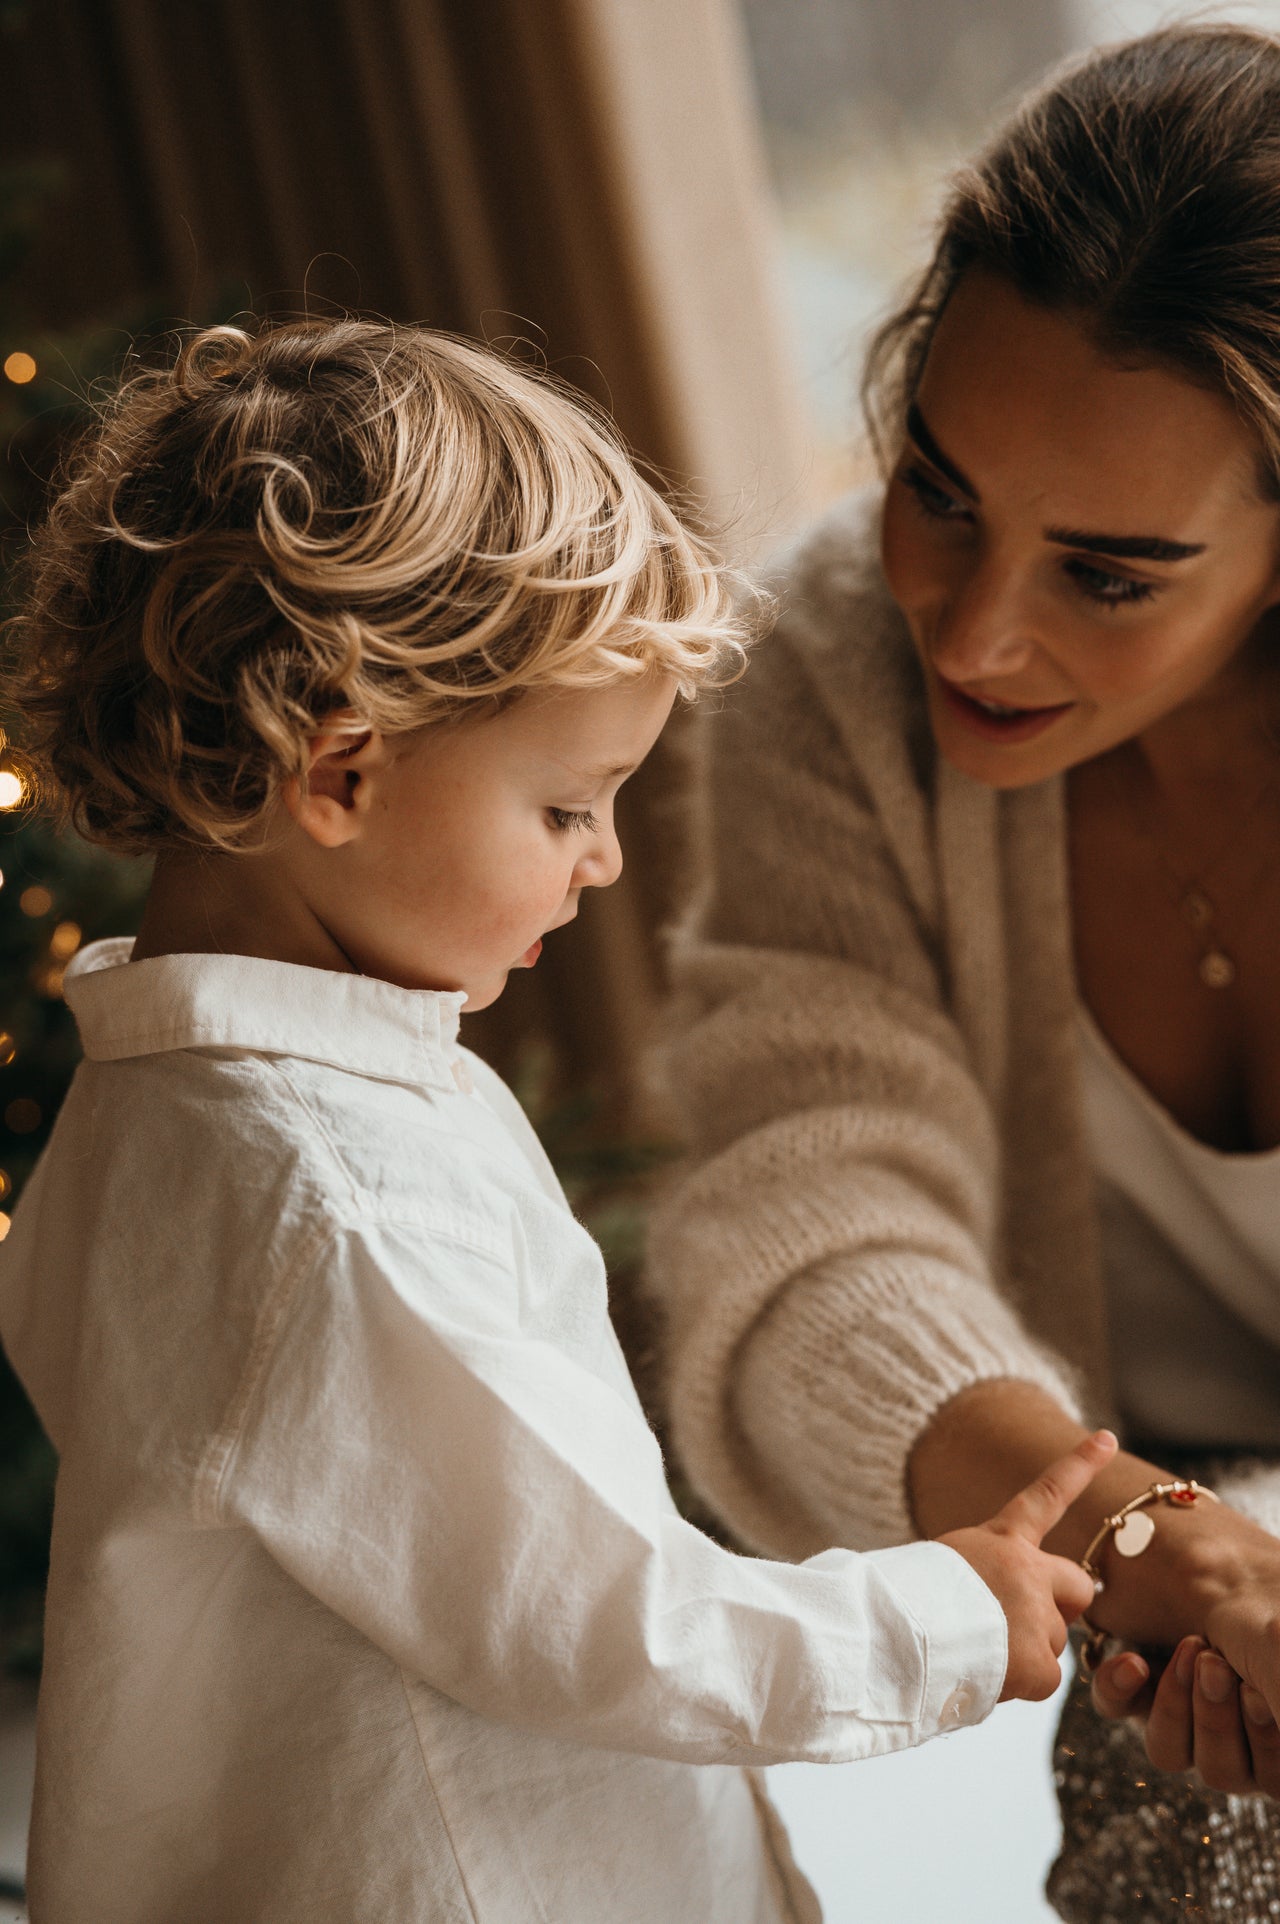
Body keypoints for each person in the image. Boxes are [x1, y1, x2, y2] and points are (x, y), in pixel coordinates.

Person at [0, 318, 1115, 1924]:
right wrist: (942, 1615)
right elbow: (605, 1617)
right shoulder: (333, 1189)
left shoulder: (147, 1107)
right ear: (343, 771)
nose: (600, 862)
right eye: (566, 806)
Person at [646, 23, 1280, 1922]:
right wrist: (1164, 1541)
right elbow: (806, 1223)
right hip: (1145, 1631)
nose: (974, 627)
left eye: (1109, 572)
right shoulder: (838, 669)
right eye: (941, 488)